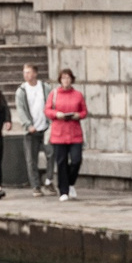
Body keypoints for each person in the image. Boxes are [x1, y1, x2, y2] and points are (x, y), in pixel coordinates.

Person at [45, 67, 89, 200]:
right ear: (60, 80)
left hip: (74, 132)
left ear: (72, 79)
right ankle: (63, 190)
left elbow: (84, 112)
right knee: (61, 161)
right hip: (59, 132)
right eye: (63, 78)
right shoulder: (54, 94)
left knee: (76, 160)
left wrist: (77, 115)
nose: (66, 80)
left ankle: (70, 183)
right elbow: (47, 110)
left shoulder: (78, 95)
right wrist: (56, 114)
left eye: (68, 78)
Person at [15, 62, 51, 193]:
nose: (26, 75)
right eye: (24, 72)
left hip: (46, 127)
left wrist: (50, 123)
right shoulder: (21, 91)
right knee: (31, 159)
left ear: (35, 73)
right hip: (31, 129)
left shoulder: (45, 87)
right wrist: (27, 125)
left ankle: (49, 180)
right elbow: (21, 110)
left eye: (29, 72)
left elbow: (50, 103)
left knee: (51, 154)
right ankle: (36, 185)